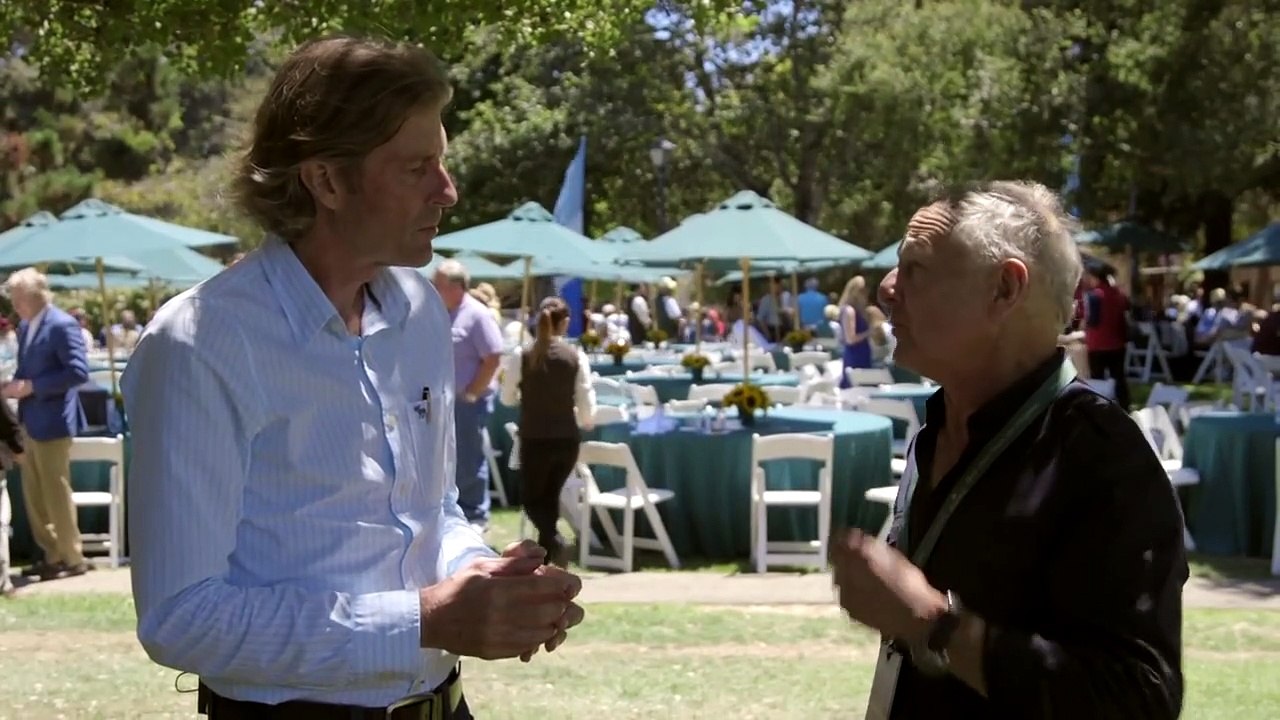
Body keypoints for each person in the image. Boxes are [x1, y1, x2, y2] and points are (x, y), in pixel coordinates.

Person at [121, 36, 583, 719]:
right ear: (327, 181)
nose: (448, 191)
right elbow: (182, 618)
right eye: (417, 167)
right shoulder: (202, 341)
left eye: (442, 163)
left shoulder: (420, 310)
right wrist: (426, 620)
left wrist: (475, 571)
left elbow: (430, 514)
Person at [831, 181, 1186, 719]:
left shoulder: (1103, 459)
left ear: (1004, 288)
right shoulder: (939, 427)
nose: (886, 288)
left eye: (916, 267)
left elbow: (1137, 700)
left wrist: (934, 622)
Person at [3, 267, 90, 581]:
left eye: (18, 297)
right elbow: (26, 371)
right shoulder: (27, 327)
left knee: (56, 492)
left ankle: (73, 557)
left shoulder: (61, 325)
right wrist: (12, 386)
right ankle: (51, 556)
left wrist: (34, 386)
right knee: (35, 496)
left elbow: (78, 372)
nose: (14, 304)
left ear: (35, 296)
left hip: (54, 423)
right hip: (29, 421)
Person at [499, 296, 596, 566]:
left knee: (532, 499)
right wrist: (587, 418)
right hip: (566, 438)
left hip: (535, 437)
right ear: (564, 323)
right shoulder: (576, 356)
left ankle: (553, 542)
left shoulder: (523, 355)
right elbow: (585, 395)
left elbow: (507, 398)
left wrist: (527, 398)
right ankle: (548, 555)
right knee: (549, 499)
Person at [432, 258, 505, 532]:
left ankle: (475, 515)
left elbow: (494, 356)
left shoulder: (477, 315)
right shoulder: (440, 313)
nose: (431, 288)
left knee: (468, 457)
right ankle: (454, 513)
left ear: (456, 287)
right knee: (446, 457)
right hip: (443, 400)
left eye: (436, 284)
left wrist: (473, 392)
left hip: (467, 402)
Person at [1082, 268, 1132, 409]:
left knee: (1097, 379)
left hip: (1097, 343)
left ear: (1096, 278)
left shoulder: (1093, 295)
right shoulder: (1119, 294)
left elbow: (1090, 321)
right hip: (1117, 343)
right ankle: (1125, 406)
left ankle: (1099, 407)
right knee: (1119, 378)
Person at [837, 276, 873, 387]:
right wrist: (870, 332)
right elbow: (850, 339)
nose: (864, 293)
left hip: (863, 353)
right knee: (855, 388)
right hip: (855, 355)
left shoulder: (858, 310)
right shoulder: (849, 311)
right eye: (861, 290)